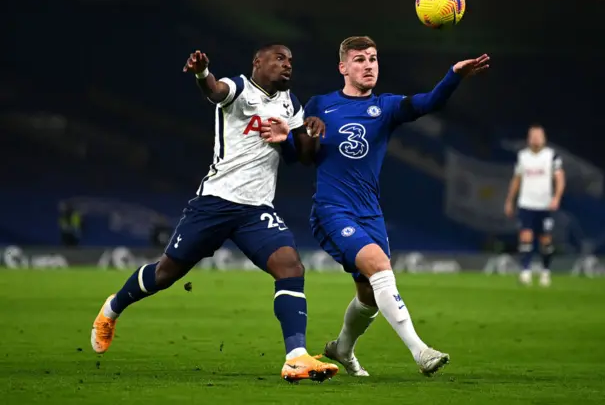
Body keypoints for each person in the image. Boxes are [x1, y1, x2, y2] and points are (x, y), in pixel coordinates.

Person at [91, 44, 338, 383]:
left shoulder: (290, 103)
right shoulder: (238, 87)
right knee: (165, 274)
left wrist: (310, 131)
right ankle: (112, 308)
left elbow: (303, 157)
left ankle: (296, 357)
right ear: (258, 62)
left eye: (291, 61)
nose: (287, 65)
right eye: (280, 59)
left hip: (257, 209)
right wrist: (201, 73)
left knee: (291, 267)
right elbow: (214, 90)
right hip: (216, 203)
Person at [269, 36, 489, 376]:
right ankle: (421, 352)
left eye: (373, 58)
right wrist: (295, 137)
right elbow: (299, 158)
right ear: (343, 67)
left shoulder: (386, 107)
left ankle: (342, 348)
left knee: (369, 295)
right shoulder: (319, 105)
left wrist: (453, 76)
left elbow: (428, 103)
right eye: (359, 59)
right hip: (331, 209)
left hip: (370, 212)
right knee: (379, 265)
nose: (368, 65)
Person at [504, 124, 565, 287]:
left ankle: (545, 272)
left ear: (544, 138)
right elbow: (516, 179)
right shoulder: (522, 156)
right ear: (528, 138)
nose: (536, 139)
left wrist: (557, 198)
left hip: (544, 205)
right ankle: (525, 272)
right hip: (526, 204)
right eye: (533, 136)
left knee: (545, 241)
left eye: (539, 136)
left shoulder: (552, 156)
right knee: (525, 238)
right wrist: (510, 200)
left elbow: (559, 178)